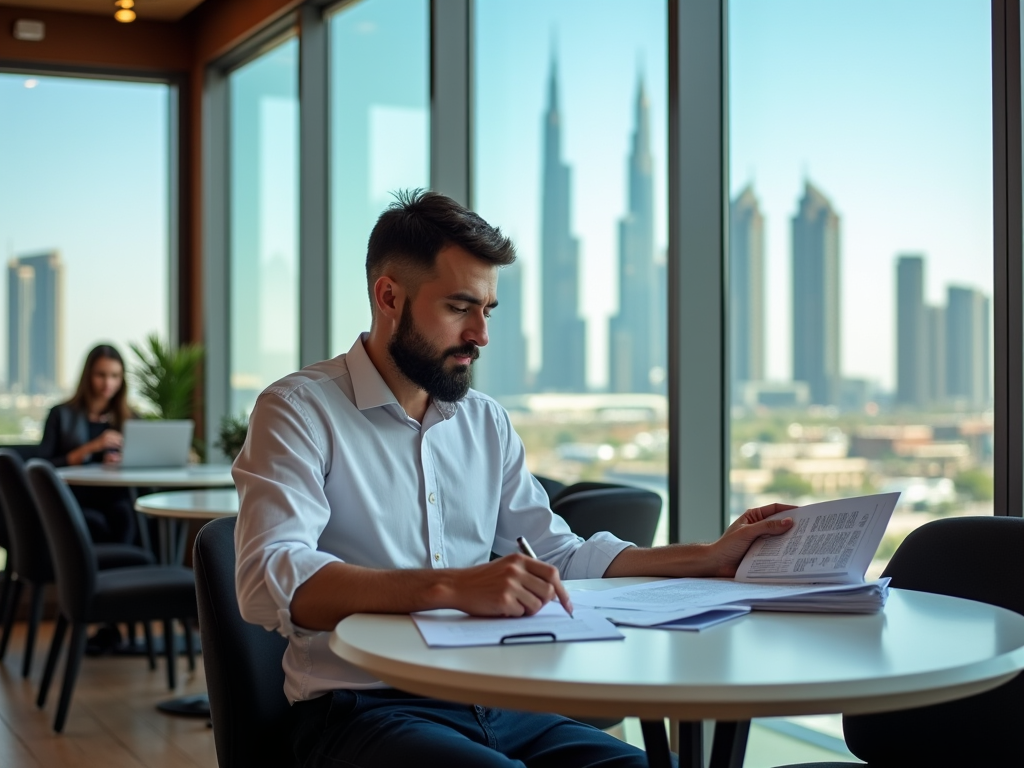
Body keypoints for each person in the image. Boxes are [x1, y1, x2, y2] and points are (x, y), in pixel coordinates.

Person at [233, 190, 795, 768]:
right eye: (459, 307)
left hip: (499, 702)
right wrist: (449, 586)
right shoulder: (298, 410)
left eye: (488, 310)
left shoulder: (485, 422)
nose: (481, 334)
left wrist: (709, 556)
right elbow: (264, 580)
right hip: (363, 710)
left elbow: (560, 554)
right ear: (389, 297)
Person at [37, 344, 137, 545]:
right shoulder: (61, 415)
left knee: (128, 513)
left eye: (115, 376)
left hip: (116, 496)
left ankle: (133, 570)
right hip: (74, 497)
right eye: (101, 375)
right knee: (102, 520)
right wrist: (92, 447)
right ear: (88, 376)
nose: (108, 383)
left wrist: (123, 459)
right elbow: (42, 467)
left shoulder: (131, 418)